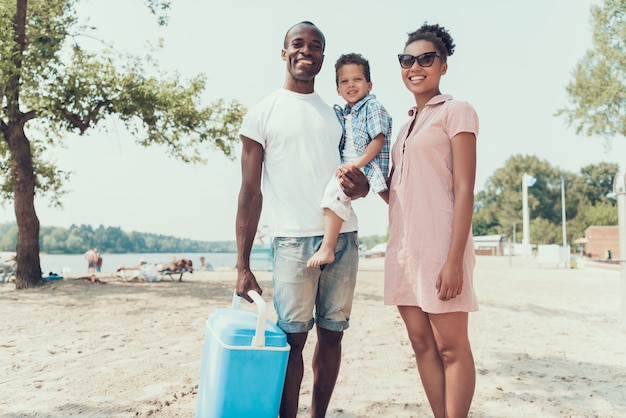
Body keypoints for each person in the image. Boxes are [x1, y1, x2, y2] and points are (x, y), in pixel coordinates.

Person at [235, 21, 369, 418]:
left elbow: (356, 181)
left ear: (323, 57)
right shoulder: (261, 114)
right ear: (284, 52)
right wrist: (242, 265)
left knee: (333, 335)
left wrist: (360, 188)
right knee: (292, 342)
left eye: (315, 45)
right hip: (292, 243)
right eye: (298, 43)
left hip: (343, 238)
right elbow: (249, 193)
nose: (306, 50)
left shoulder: (337, 116)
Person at [383, 23, 479, 418]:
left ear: (443, 66)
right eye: (407, 60)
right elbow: (402, 194)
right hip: (404, 251)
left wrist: (454, 259)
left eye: (426, 59)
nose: (415, 66)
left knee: (450, 348)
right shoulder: (402, 128)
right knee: (422, 345)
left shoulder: (458, 112)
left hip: (442, 248)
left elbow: (465, 189)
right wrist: (366, 186)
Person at [307, 53, 392, 268]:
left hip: (364, 166)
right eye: (344, 81)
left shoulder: (373, 107)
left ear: (369, 84)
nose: (351, 85)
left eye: (357, 80)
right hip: (354, 165)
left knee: (333, 194)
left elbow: (378, 139)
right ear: (337, 89)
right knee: (393, 202)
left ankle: (327, 248)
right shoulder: (346, 112)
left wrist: (356, 165)